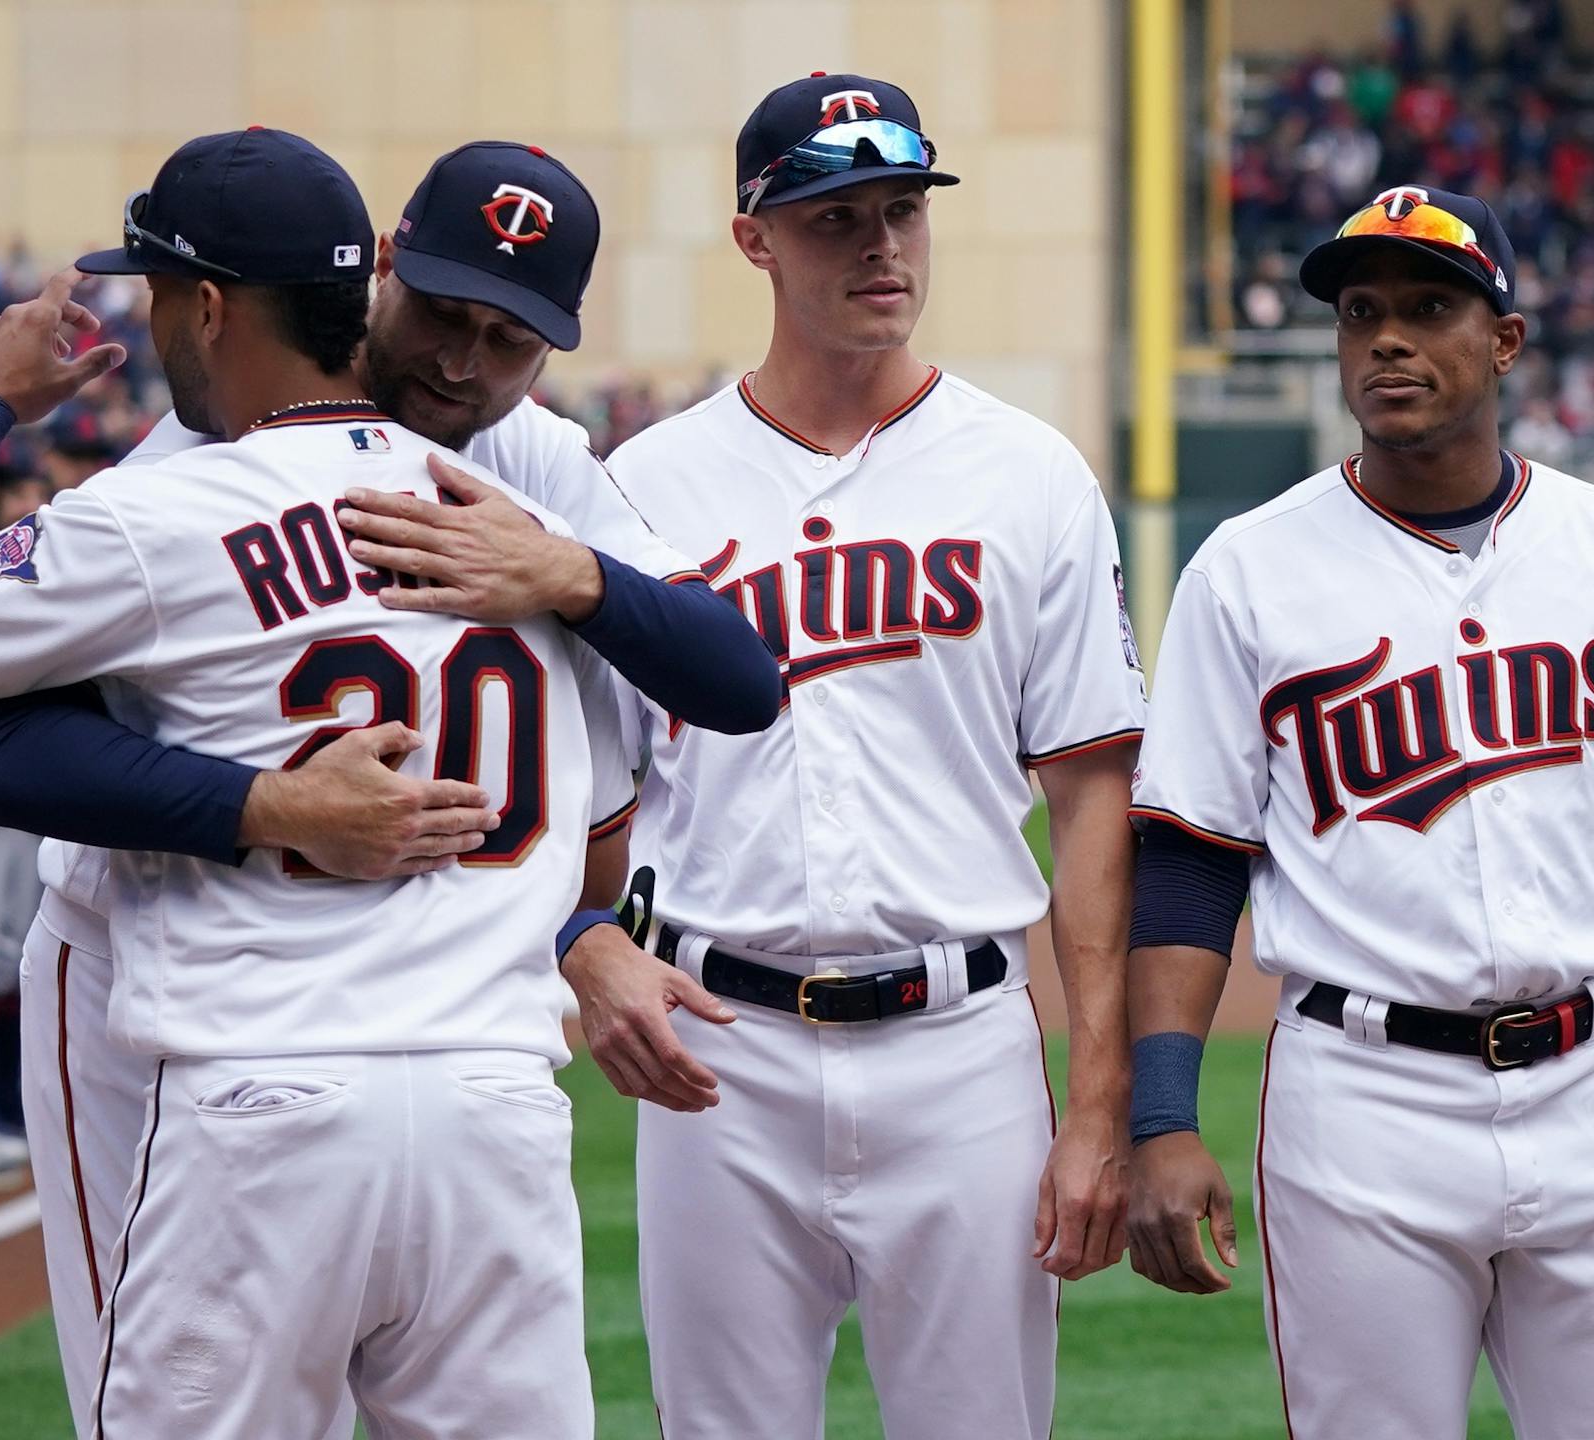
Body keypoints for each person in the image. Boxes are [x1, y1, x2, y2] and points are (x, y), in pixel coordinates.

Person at [0, 128, 672, 1438]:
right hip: (489, 1086)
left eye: (162, 294)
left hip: (249, 1064)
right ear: (371, 283)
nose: (467, 359)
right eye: (451, 319)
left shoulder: (170, 505)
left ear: (206, 306)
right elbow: (707, 701)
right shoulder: (529, 525)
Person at [381, 73, 1140, 1438]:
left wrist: (1099, 1106)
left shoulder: (1031, 476)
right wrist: (577, 936)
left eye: (902, 210)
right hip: (720, 1050)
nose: (880, 247)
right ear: (754, 237)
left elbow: (1092, 800)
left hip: (961, 1045)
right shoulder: (641, 482)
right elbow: (574, 787)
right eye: (836, 215)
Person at [1124, 184, 1594, 1439]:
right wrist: (1162, 1117)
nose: (1386, 339)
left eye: (1429, 308)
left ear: (1506, 341)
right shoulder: (1248, 569)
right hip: (1360, 1107)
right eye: (1360, 312)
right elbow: (1192, 864)